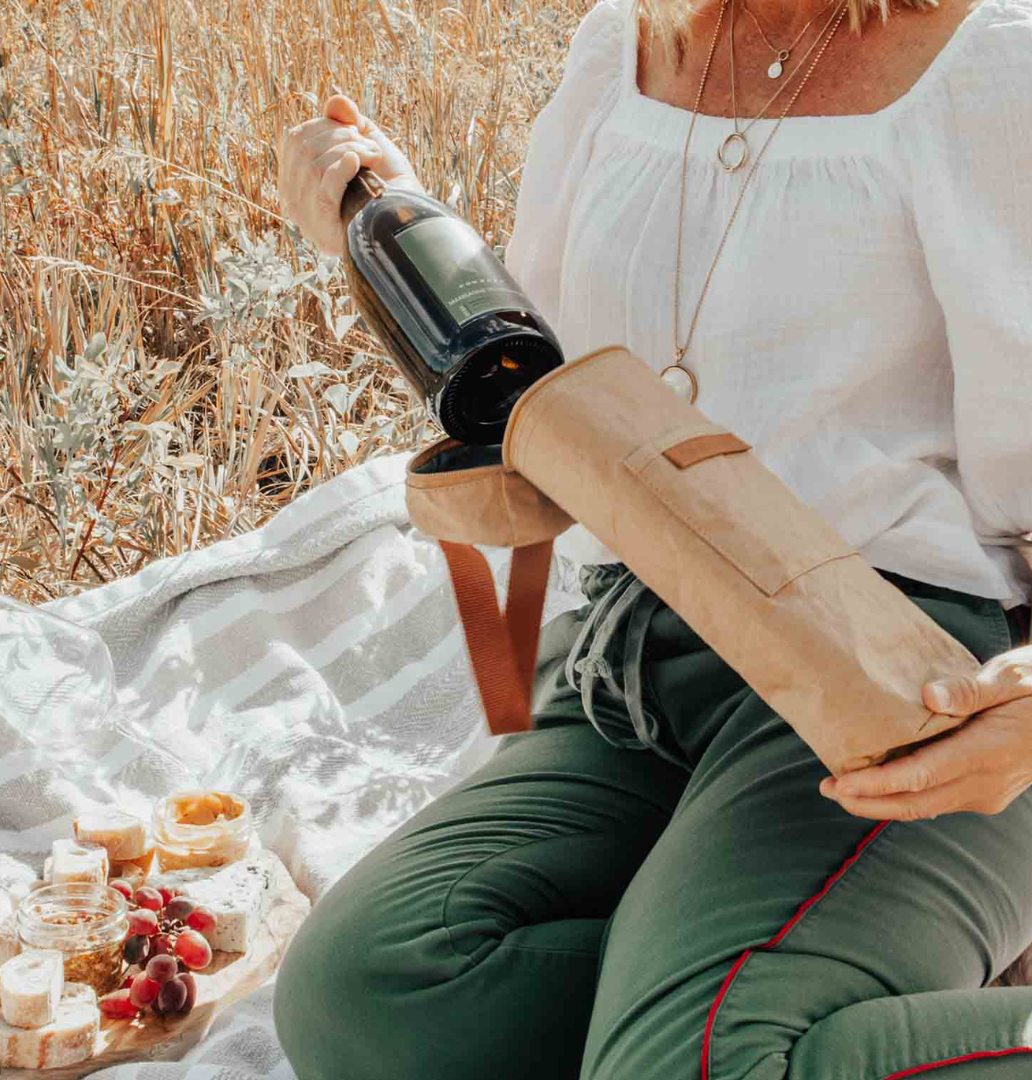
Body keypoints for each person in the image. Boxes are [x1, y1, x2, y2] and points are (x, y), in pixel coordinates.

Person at [272, 0, 1032, 1074]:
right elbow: (542, 394)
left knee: (696, 1061)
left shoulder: (992, 64)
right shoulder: (619, 50)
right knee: (371, 996)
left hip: (902, 691)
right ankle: (738, 988)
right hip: (635, 656)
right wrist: (386, 213)